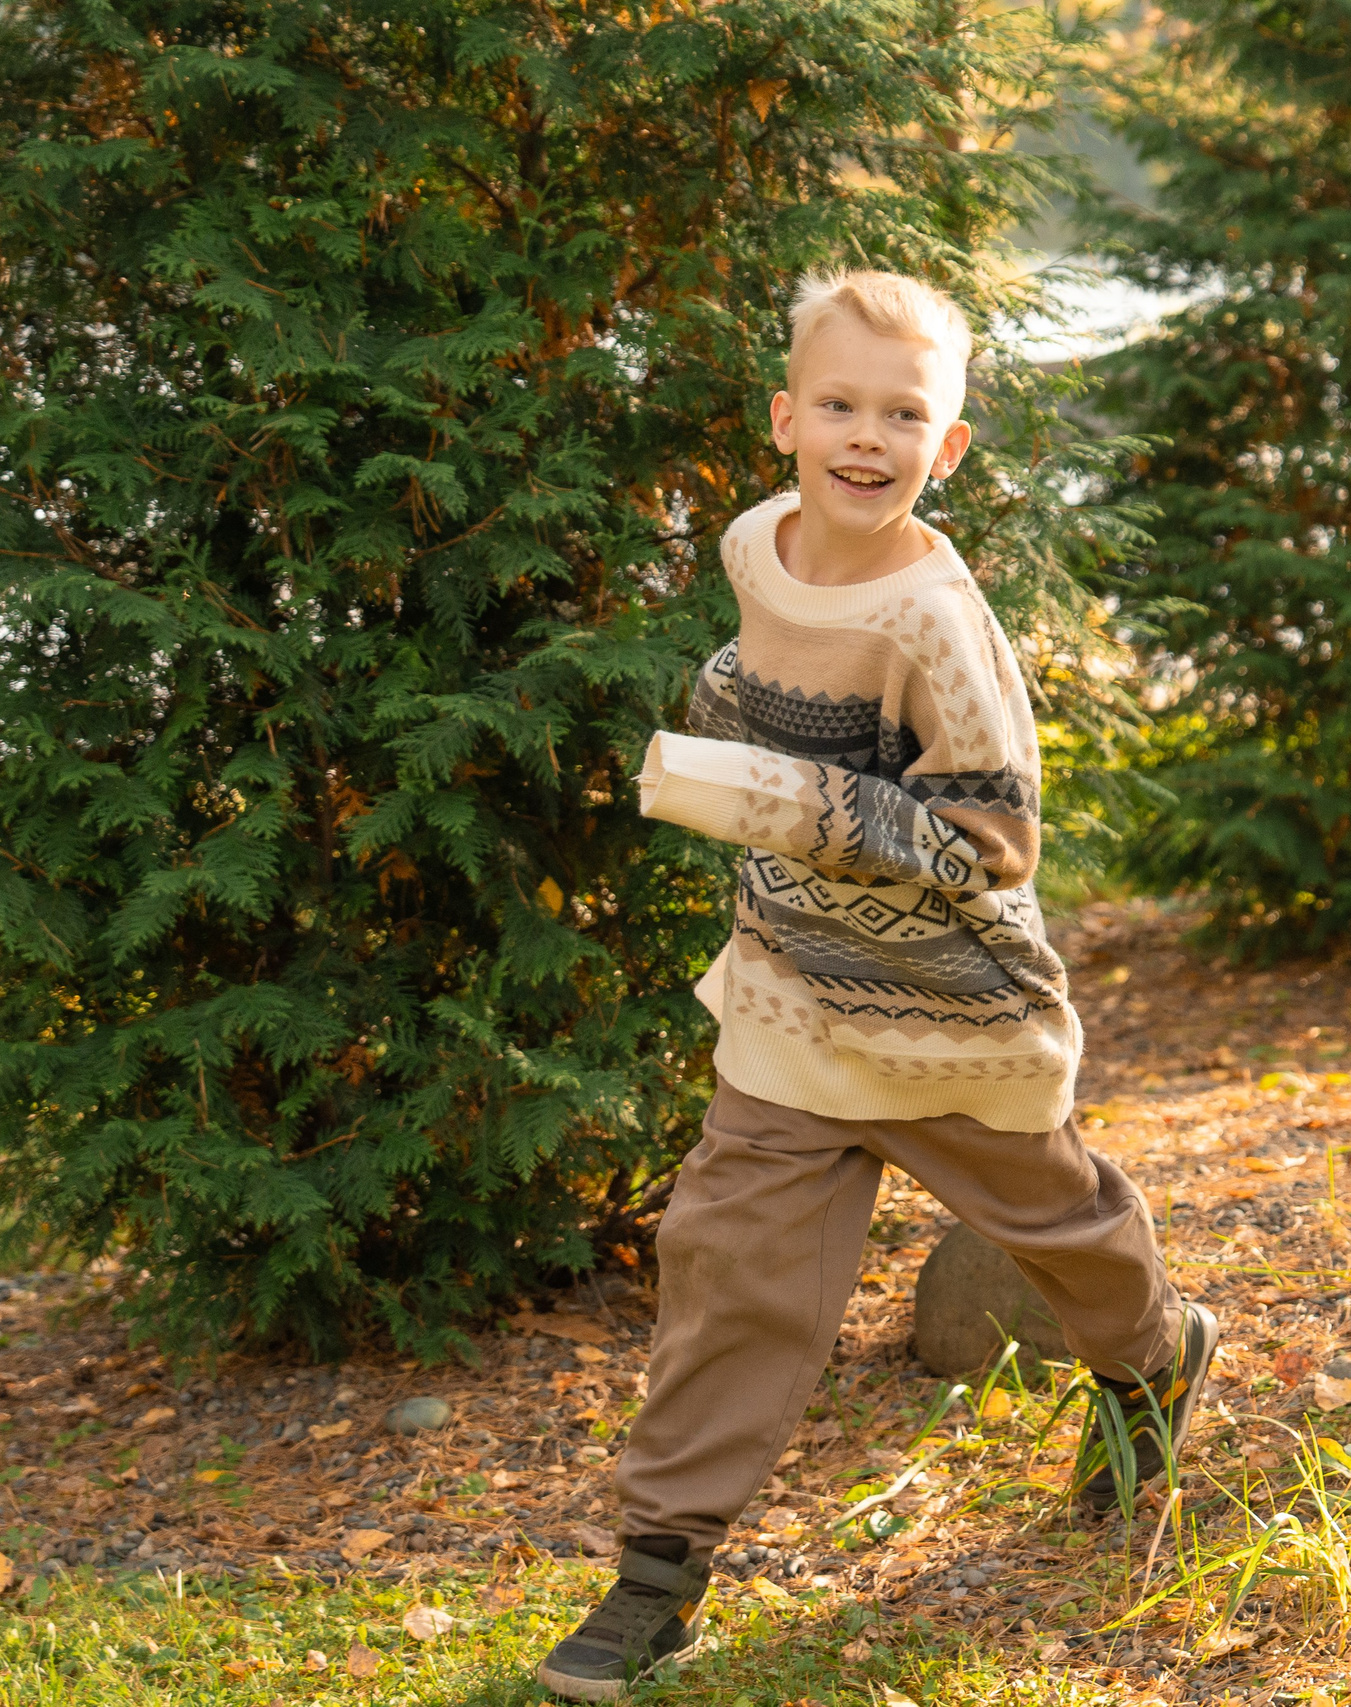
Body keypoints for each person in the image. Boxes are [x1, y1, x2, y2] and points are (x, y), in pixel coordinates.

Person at [534, 270, 1218, 1701]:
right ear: (785, 420)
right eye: (838, 404)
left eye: (903, 413)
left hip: (941, 1015)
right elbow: (756, 680)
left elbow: (993, 836)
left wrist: (786, 803)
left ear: (947, 446)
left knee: (1060, 1227)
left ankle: (1153, 1358)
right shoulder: (755, 546)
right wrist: (719, 749)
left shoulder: (939, 628)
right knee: (726, 1272)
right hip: (789, 998)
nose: (867, 434)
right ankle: (655, 1578)